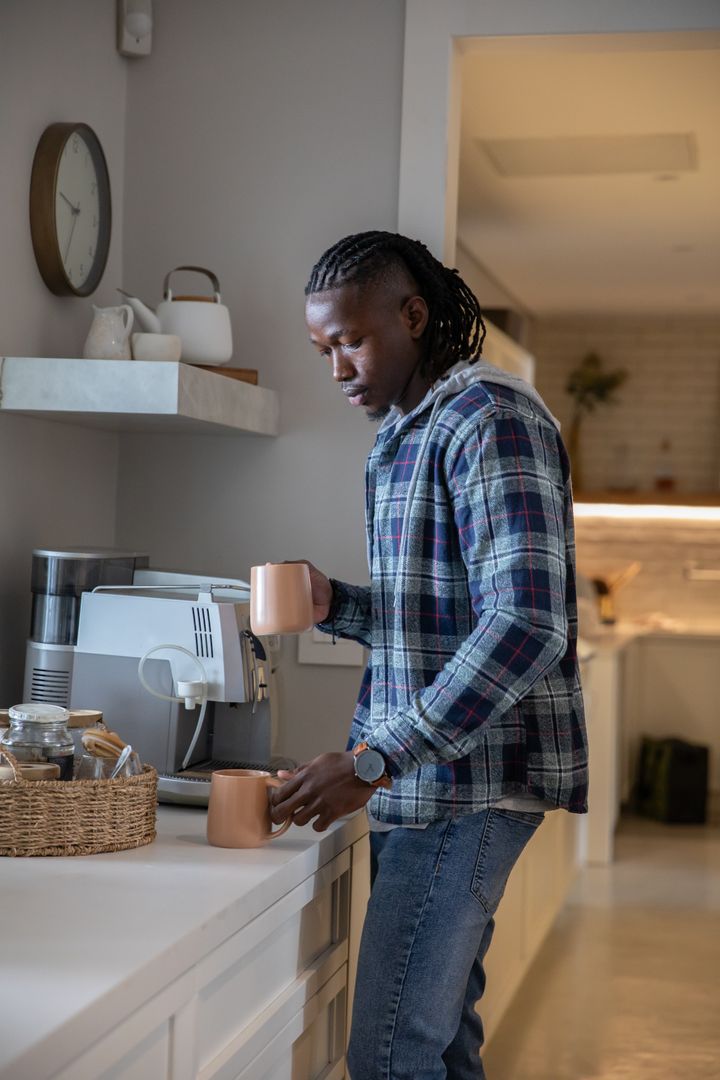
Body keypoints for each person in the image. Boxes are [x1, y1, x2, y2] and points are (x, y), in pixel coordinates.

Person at [270, 231, 588, 1080]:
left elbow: (526, 623)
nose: (336, 368)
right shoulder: (411, 428)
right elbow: (446, 619)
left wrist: (375, 759)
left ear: (414, 315)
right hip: (427, 783)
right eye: (322, 348)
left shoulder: (490, 418)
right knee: (440, 1046)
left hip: (465, 791)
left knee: (385, 1056)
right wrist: (340, 606)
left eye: (351, 340)